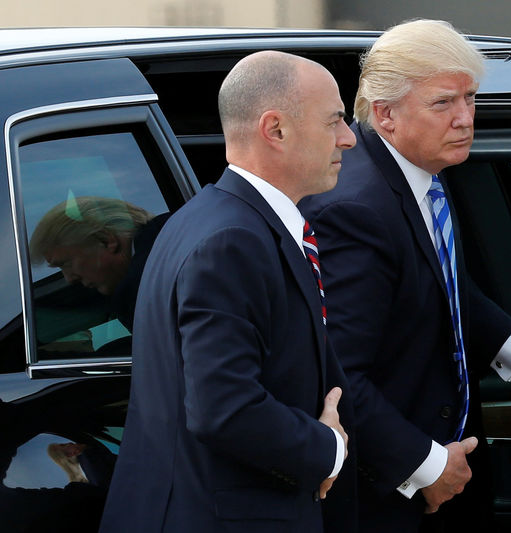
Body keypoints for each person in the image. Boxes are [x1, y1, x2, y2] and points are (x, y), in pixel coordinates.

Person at [298, 19, 511, 532]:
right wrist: (425, 466)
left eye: (470, 99)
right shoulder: (356, 208)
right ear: (384, 113)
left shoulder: (416, 171)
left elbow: (439, 285)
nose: (465, 119)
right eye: (443, 103)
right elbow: (339, 376)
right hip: (384, 495)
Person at [99, 51, 356, 533]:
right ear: (275, 129)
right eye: (335, 121)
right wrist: (327, 449)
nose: (349, 138)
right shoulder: (232, 241)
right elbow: (225, 408)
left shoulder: (201, 221)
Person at [29, 196, 169, 331]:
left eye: (66, 263)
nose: (69, 279)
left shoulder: (160, 289)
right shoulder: (167, 259)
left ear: (106, 240)